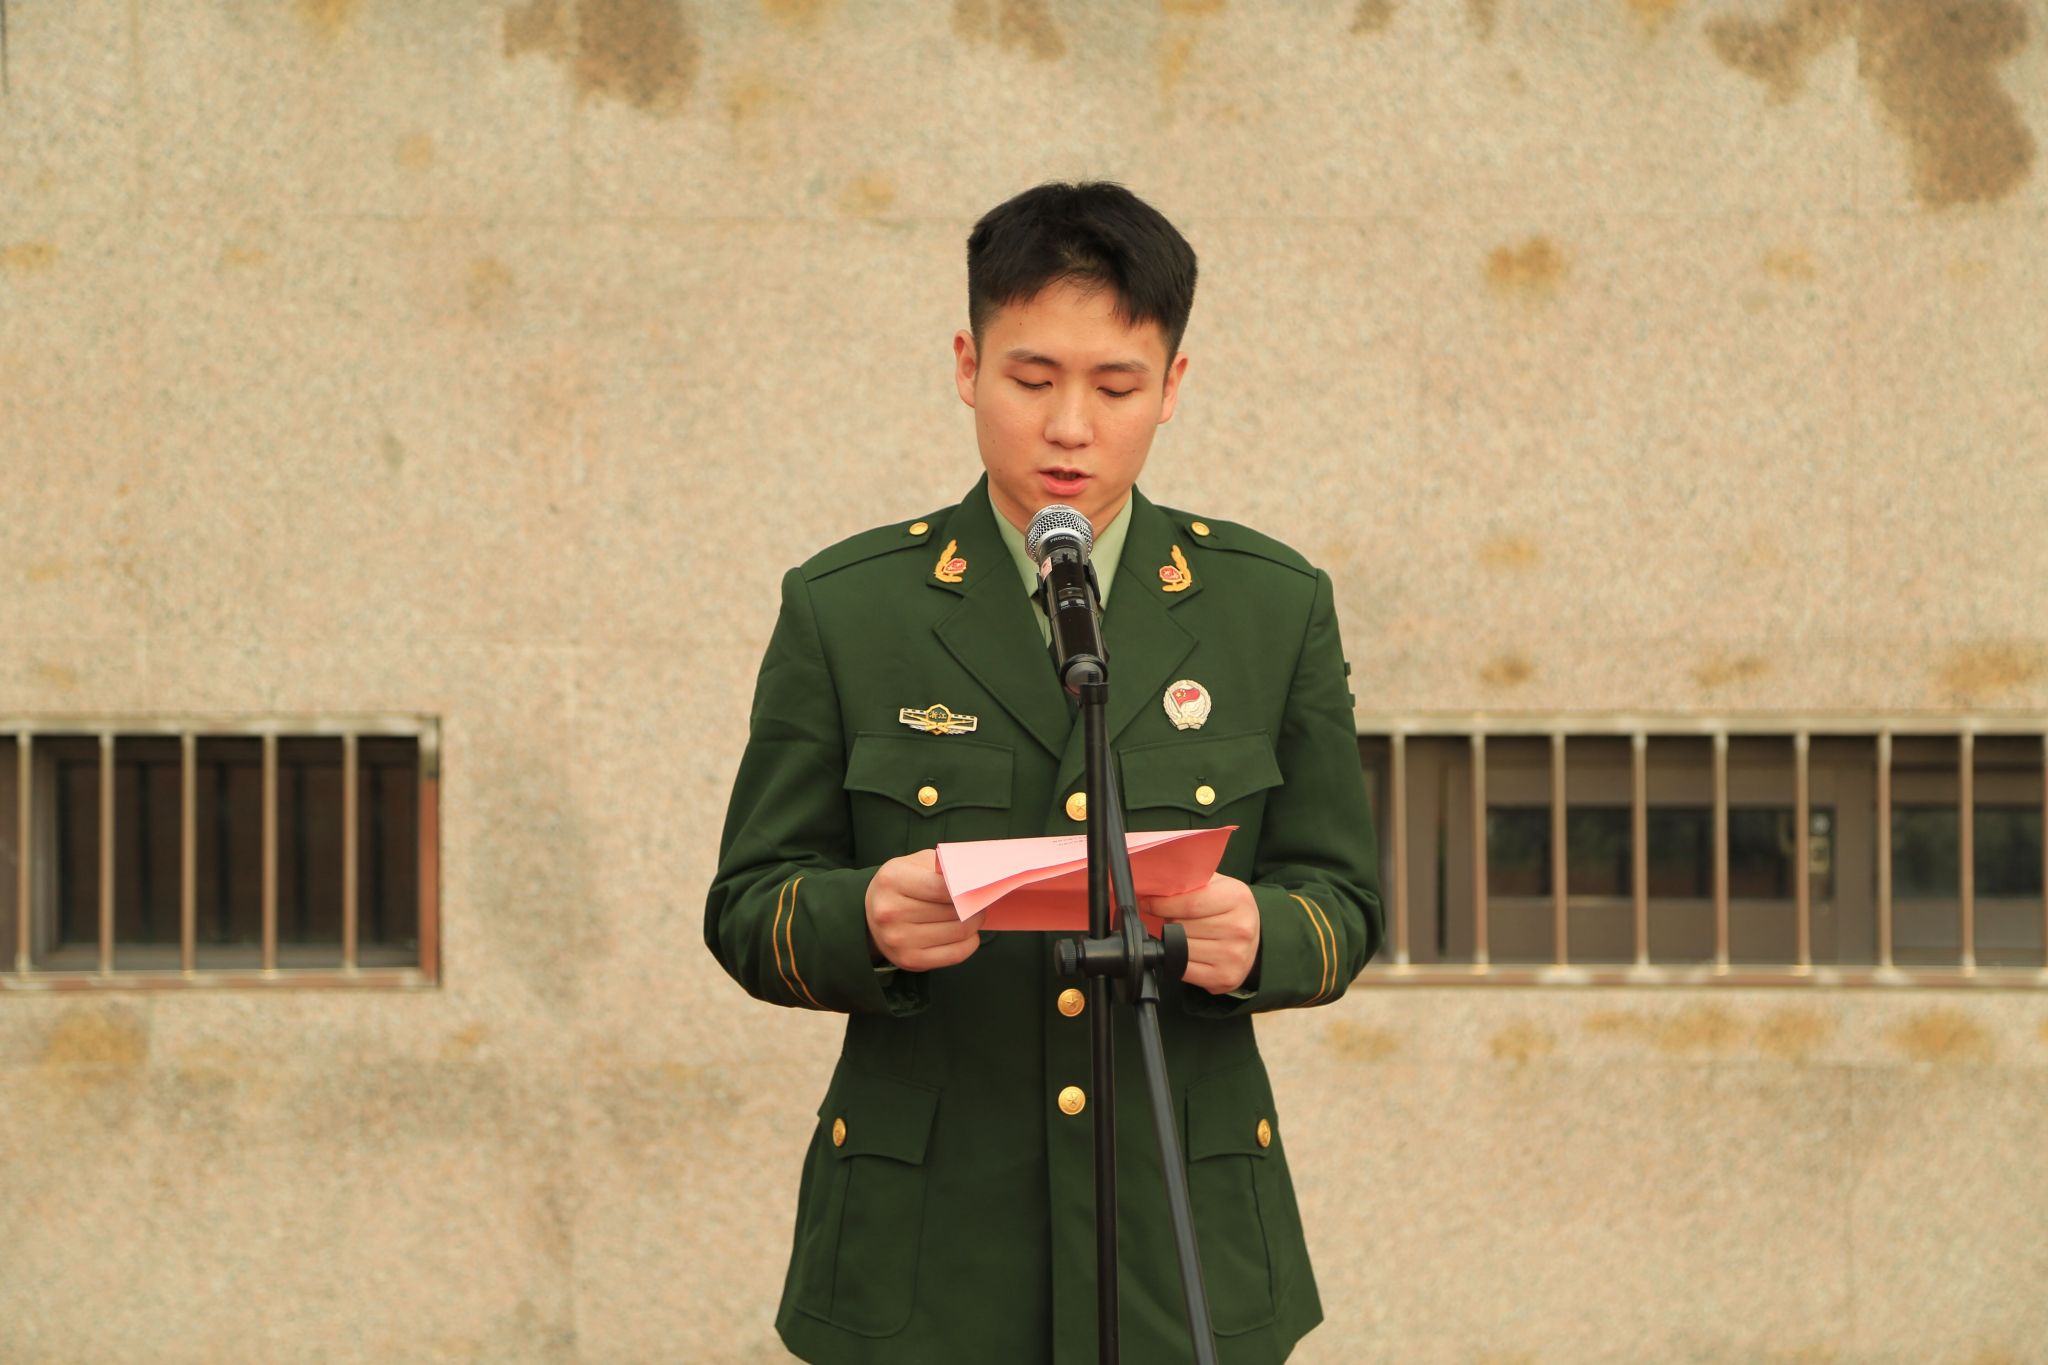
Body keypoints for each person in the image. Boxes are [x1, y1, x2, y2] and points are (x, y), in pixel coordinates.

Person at [705, 180, 1383, 1365]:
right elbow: (749, 904)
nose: (1069, 427)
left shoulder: (1267, 607)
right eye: (1031, 380)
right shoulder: (848, 608)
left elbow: (1344, 900)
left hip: (1179, 1233)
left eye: (1115, 388)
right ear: (966, 366)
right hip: (928, 1250)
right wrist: (862, 920)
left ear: (1171, 385)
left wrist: (1260, 936)